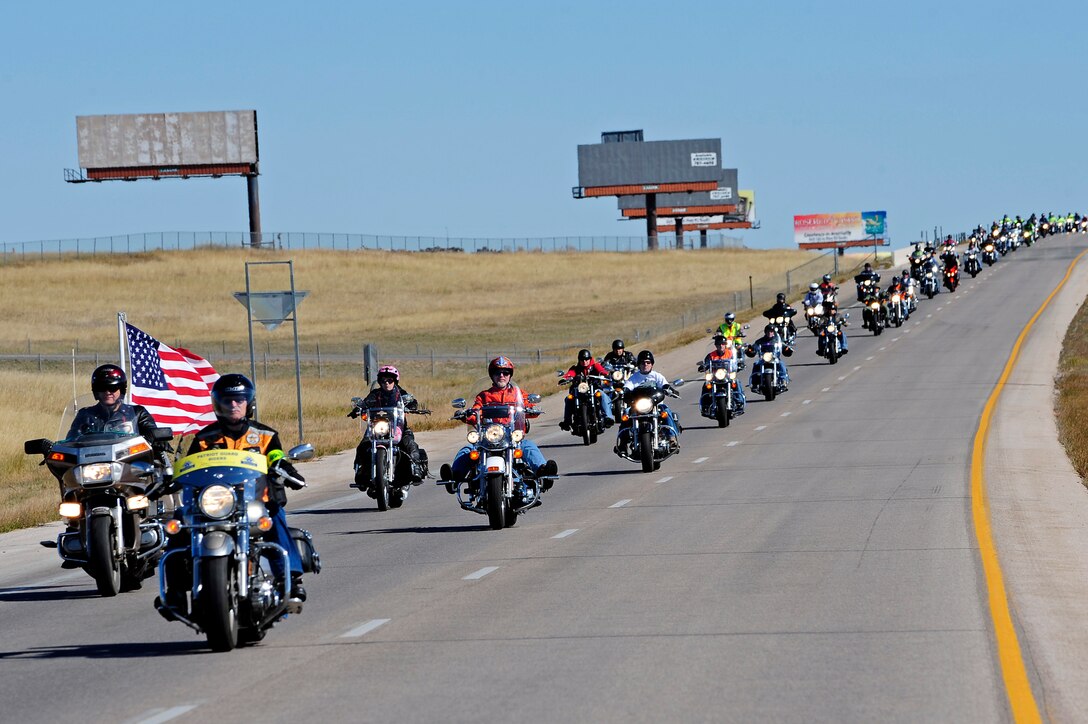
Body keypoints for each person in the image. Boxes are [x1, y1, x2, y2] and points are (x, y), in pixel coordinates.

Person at [186, 374, 307, 601]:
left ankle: (290, 578)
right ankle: (175, 588)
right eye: (227, 400)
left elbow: (276, 455)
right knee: (181, 526)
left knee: (275, 519)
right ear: (217, 403)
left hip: (257, 501)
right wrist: (171, 477)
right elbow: (188, 466)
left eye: (239, 400)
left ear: (248, 403)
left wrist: (285, 468)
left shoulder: (265, 435)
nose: (233, 405)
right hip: (217, 504)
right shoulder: (204, 438)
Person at [442, 356, 557, 484]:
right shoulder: (484, 396)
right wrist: (466, 415)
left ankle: (543, 471)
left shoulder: (518, 393)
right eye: (497, 373)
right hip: (488, 437)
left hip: (511, 437)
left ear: (510, 375)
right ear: (492, 375)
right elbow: (475, 411)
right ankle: (454, 475)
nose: (501, 375)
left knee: (528, 446)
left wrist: (531, 409)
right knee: (468, 449)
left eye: (505, 372)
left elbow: (528, 406)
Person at [349, 364, 427, 488]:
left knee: (410, 444)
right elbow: (365, 403)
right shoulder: (375, 394)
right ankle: (361, 472)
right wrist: (358, 409)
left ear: (395, 381)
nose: (386, 383)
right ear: (380, 381)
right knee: (363, 446)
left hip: (399, 427)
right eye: (383, 380)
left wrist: (412, 406)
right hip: (376, 427)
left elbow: (412, 401)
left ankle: (416, 469)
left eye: (390, 380)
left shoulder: (401, 393)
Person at [616, 350, 681, 453]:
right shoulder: (634, 378)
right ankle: (622, 443)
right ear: (639, 364)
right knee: (626, 414)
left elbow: (664, 384)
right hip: (638, 407)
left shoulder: (657, 376)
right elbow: (627, 386)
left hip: (655, 405)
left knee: (666, 412)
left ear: (652, 364)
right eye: (642, 362)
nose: (645, 365)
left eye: (648, 362)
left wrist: (668, 389)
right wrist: (623, 391)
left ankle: (672, 439)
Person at [559, 349, 613, 430]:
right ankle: (567, 422)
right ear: (579, 360)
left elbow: (602, 370)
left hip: (594, 388)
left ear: (590, 359)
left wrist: (606, 374)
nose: (584, 361)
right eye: (582, 360)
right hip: (579, 390)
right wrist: (565, 378)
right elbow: (570, 373)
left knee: (603, 395)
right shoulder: (575, 368)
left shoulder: (595, 366)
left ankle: (608, 418)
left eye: (586, 359)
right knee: (568, 399)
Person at [698, 335, 745, 415]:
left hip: (727, 376)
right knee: (706, 386)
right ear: (716, 345)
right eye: (719, 344)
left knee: (736, 382)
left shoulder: (730, 353)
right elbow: (706, 363)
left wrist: (739, 365)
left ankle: (739, 401)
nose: (721, 346)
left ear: (725, 344)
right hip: (715, 377)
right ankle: (705, 405)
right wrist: (703, 367)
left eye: (723, 344)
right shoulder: (711, 355)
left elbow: (734, 362)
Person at [747, 324, 790, 388]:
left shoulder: (777, 340)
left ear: (774, 332)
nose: (770, 333)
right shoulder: (760, 341)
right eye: (768, 331)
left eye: (771, 331)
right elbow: (754, 347)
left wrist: (787, 349)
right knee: (756, 364)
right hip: (763, 359)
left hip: (774, 358)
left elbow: (784, 346)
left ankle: (783, 379)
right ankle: (754, 382)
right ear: (765, 332)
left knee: (781, 364)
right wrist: (750, 350)